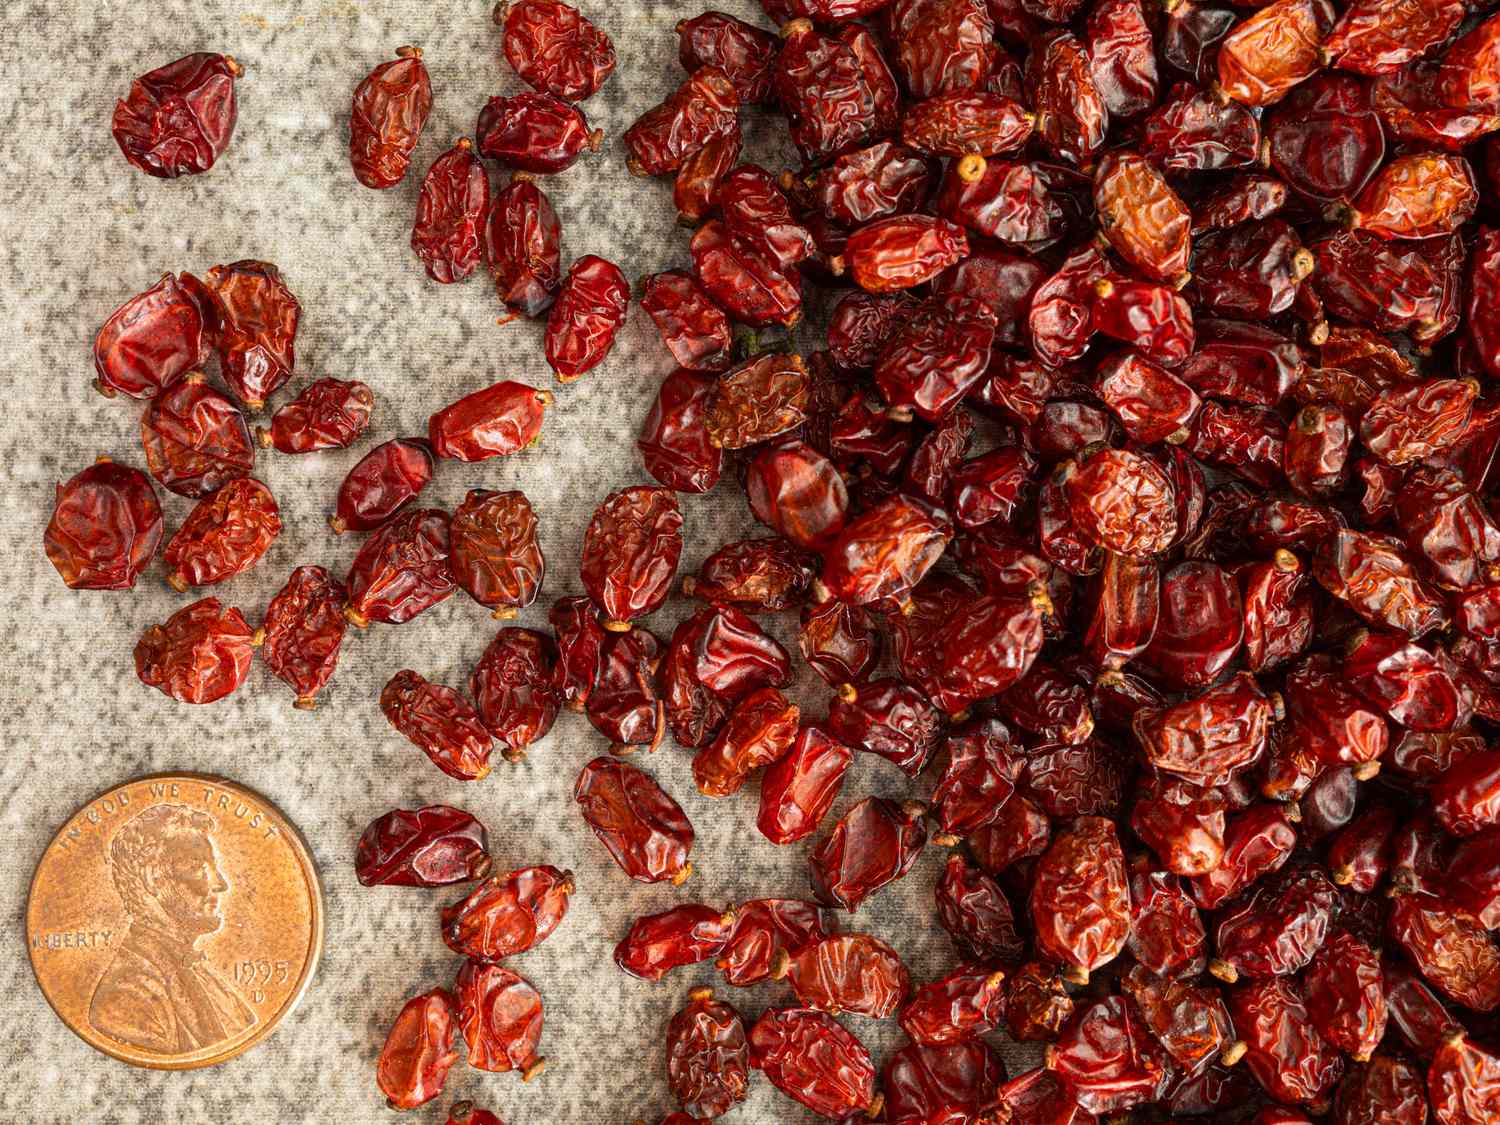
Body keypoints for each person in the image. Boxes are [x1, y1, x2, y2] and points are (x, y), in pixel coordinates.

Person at [89, 804, 255, 1054]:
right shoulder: (128, 997)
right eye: (199, 867)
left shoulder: (199, 971)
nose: (221, 884)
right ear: (153, 878)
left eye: (213, 867)